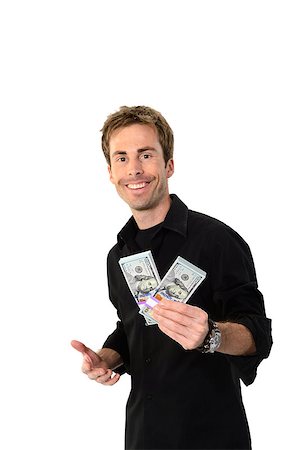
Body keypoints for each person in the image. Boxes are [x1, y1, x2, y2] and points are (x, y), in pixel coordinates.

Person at [71, 106, 272, 450]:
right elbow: (132, 328)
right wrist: (107, 357)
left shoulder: (217, 240)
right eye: (122, 158)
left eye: (146, 155)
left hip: (212, 436)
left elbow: (258, 335)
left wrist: (213, 335)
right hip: (143, 435)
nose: (134, 169)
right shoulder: (118, 256)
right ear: (109, 172)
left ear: (169, 165)